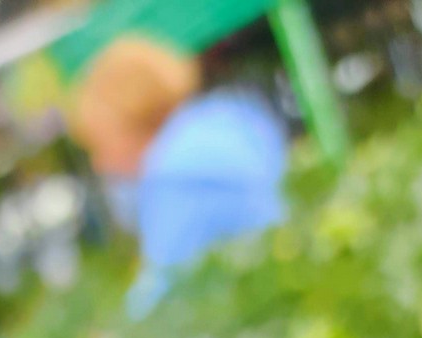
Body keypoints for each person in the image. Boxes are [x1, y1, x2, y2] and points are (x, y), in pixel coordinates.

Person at [69, 36, 288, 312]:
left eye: (99, 145)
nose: (100, 164)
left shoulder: (174, 174)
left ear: (128, 120)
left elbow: (162, 296)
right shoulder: (222, 121)